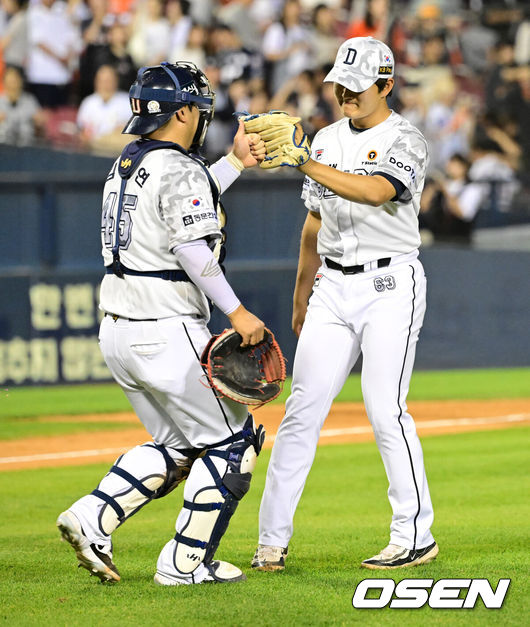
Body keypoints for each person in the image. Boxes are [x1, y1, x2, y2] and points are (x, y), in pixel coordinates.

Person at [57, 61, 269, 586]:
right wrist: (237, 311)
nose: (202, 117)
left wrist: (234, 163)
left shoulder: (129, 162)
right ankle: (184, 564)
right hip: (166, 325)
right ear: (181, 113)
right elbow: (191, 246)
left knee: (179, 446)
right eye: (198, 108)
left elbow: (182, 205)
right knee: (233, 444)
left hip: (119, 330)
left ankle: (92, 516)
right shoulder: (177, 168)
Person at [251, 37, 438, 571]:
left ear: (386, 85)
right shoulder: (327, 140)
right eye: (341, 84)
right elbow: (313, 226)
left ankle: (414, 534)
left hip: (389, 285)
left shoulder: (406, 138)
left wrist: (305, 162)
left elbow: (379, 191)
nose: (346, 94)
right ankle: (271, 542)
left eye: (358, 86)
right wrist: (301, 296)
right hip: (332, 286)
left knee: (385, 409)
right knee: (301, 412)